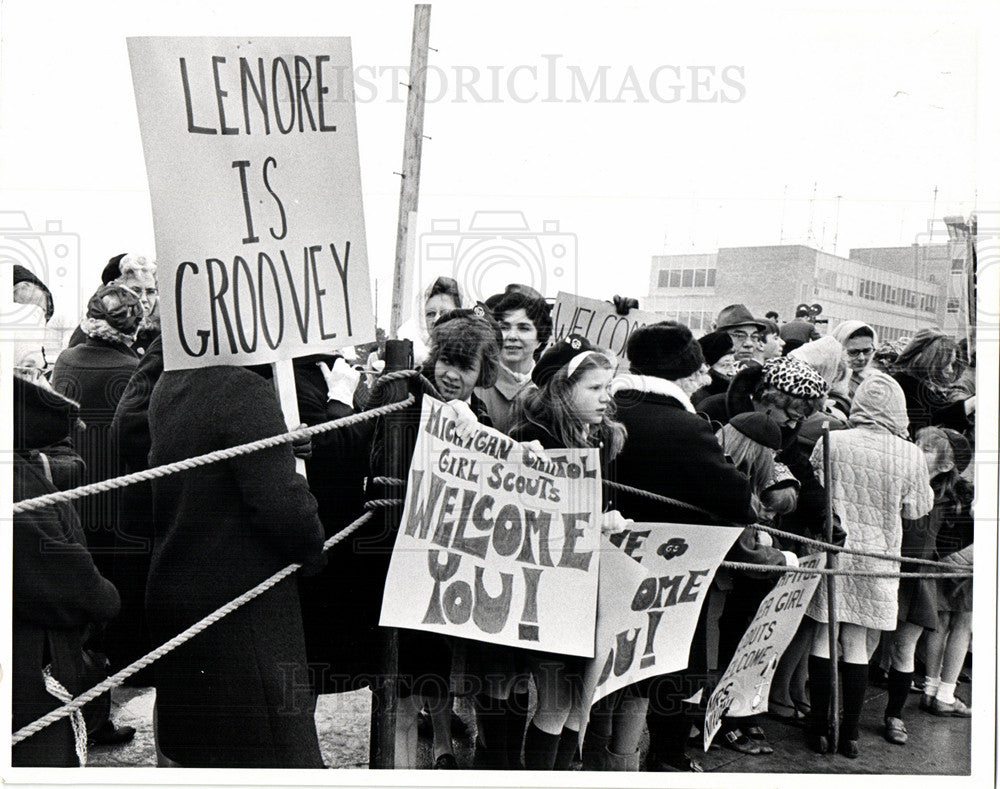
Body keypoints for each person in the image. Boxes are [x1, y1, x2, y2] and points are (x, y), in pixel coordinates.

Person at [146, 365, 326, 767]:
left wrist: (278, 445)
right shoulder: (243, 388)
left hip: (184, 591)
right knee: (276, 759)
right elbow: (284, 506)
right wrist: (313, 548)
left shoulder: (171, 380)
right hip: (245, 610)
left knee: (204, 755)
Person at [609, 321, 756, 772]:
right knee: (676, 665)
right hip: (673, 570)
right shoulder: (684, 426)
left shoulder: (607, 409)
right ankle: (665, 757)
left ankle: (602, 762)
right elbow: (736, 498)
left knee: (608, 671)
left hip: (607, 563)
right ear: (685, 370)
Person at [367, 305, 502, 769]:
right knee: (401, 685)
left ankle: (442, 745)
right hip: (395, 559)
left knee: (434, 668)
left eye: (464, 367)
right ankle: (401, 767)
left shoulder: (478, 412)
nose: (450, 375)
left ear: (481, 373)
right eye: (446, 361)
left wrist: (480, 437)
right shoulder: (404, 395)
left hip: (443, 569)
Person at [508, 334, 631, 770]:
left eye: (609, 388)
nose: (606, 398)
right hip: (548, 587)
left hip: (586, 583)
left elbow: (599, 504)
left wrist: (609, 519)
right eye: (595, 388)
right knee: (556, 703)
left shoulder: (596, 437)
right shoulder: (531, 436)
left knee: (580, 703)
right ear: (563, 387)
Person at [804, 373, 934, 759]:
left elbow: (816, 491)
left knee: (824, 637)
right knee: (857, 643)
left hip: (835, 551)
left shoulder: (832, 440)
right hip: (879, 557)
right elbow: (916, 508)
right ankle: (850, 734)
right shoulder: (909, 453)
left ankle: (818, 727)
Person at [12, 374, 122, 767]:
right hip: (28, 671)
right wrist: (104, 598)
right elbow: (64, 579)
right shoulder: (17, 481)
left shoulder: (20, 465)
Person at [884, 426, 973, 744]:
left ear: (947, 465)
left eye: (925, 448)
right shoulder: (902, 480)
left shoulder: (950, 500)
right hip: (891, 571)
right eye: (916, 444)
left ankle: (895, 715)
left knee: (904, 646)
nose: (914, 449)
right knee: (870, 643)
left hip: (920, 578)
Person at [476, 286, 553, 432]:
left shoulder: (550, 390)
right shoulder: (477, 382)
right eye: (504, 327)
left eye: (523, 328)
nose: (511, 336)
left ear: (541, 338)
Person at [891, 328, 974, 438]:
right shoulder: (901, 386)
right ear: (928, 361)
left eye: (952, 364)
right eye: (946, 363)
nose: (950, 370)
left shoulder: (928, 388)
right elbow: (925, 424)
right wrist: (969, 405)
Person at [397, 276, 464, 366]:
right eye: (430, 314)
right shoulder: (412, 357)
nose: (436, 319)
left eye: (444, 313)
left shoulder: (471, 353)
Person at [830, 320, 877, 401]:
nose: (861, 358)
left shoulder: (876, 379)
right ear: (839, 350)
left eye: (867, 351)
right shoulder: (829, 380)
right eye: (853, 352)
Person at [691, 330, 736, 406]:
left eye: (734, 365)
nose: (733, 372)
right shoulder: (700, 399)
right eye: (725, 365)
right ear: (705, 368)